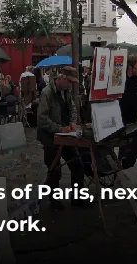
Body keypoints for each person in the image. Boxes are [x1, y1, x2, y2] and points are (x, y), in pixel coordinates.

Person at [37, 66, 87, 210]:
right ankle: (54, 200)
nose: (71, 85)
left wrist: (72, 122)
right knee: (54, 170)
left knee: (78, 165)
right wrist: (59, 129)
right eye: (69, 82)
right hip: (50, 138)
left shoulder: (66, 91)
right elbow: (41, 120)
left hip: (66, 135)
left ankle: (77, 198)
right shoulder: (47, 93)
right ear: (62, 77)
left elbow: (72, 108)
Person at [118, 54, 137, 169]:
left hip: (133, 118)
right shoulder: (125, 81)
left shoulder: (134, 79)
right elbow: (128, 99)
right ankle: (123, 170)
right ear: (130, 66)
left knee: (130, 146)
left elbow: (136, 95)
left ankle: (123, 170)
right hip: (126, 119)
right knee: (131, 146)